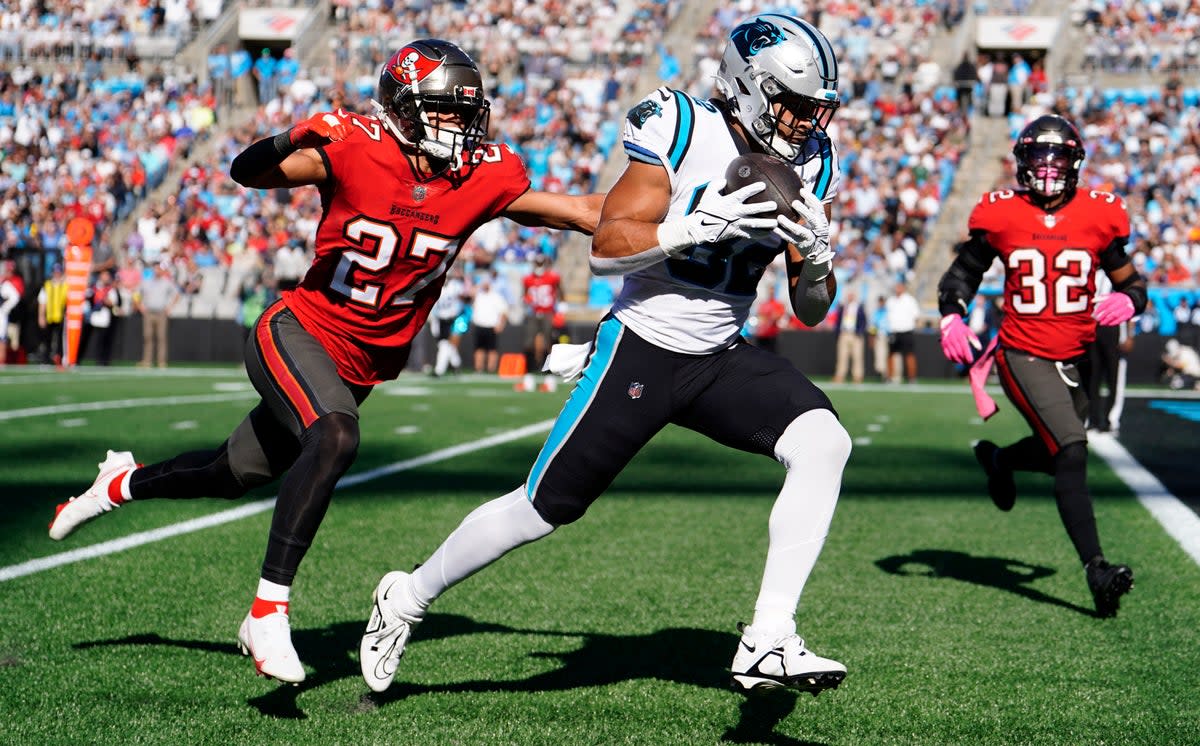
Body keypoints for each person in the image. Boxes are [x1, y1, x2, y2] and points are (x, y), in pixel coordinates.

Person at [48, 39, 603, 685]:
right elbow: (244, 171)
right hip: (299, 330)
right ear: (403, 107)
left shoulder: (482, 176)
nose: (461, 125)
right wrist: (291, 135)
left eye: (465, 112)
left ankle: (118, 484)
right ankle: (267, 609)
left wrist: (687, 216)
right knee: (335, 435)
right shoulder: (356, 147)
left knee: (232, 472)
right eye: (445, 111)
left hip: (360, 364)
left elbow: (584, 214)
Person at [360, 14, 851, 698]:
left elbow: (811, 308)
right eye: (793, 105)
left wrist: (820, 261)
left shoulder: (816, 160)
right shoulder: (680, 125)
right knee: (543, 508)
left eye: (815, 109)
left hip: (719, 354)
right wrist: (690, 226)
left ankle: (768, 637)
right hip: (643, 347)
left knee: (824, 442)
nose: (804, 123)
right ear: (748, 87)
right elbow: (606, 248)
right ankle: (407, 596)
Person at [936, 114, 1148, 618]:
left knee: (1058, 453)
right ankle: (1096, 567)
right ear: (1021, 162)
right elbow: (963, 273)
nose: (1047, 168)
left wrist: (1131, 302)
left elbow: (1132, 280)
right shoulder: (1003, 213)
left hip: (1076, 355)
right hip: (1022, 352)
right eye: (1037, 157)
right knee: (1072, 449)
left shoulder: (1100, 215)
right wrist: (951, 316)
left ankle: (1001, 461)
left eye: (1057, 158)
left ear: (1075, 163)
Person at [1086, 273, 1132, 434]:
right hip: (1093, 326)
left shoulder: (1118, 273)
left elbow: (1130, 304)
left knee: (1114, 376)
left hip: (1114, 326)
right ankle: (1093, 419)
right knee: (1093, 375)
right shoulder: (1092, 272)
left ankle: (1110, 419)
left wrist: (1129, 335)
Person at [518, 252, 561, 391]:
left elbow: (560, 290)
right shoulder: (528, 279)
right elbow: (525, 293)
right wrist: (526, 301)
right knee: (528, 344)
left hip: (548, 312)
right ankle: (529, 378)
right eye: (537, 263)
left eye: (541, 263)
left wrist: (561, 306)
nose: (539, 266)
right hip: (533, 313)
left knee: (549, 344)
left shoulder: (553, 278)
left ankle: (550, 379)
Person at [137, 261, 180, 368]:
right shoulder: (146, 282)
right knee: (148, 337)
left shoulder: (166, 282)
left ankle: (161, 361)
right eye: (155, 269)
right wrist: (139, 306)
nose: (157, 271)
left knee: (161, 337)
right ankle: (147, 361)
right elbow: (136, 294)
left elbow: (177, 294)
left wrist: (170, 307)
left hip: (161, 313)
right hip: (148, 312)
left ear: (162, 270)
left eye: (158, 269)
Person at [469, 272, 508, 373]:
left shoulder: (496, 296)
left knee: (492, 349)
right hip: (479, 325)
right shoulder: (478, 295)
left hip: (491, 326)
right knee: (479, 348)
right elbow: (470, 293)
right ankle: (479, 368)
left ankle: (491, 369)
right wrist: (479, 285)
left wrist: (501, 324)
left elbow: (504, 312)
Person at [884, 281, 920, 383]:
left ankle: (912, 378)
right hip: (894, 332)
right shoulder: (891, 300)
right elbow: (887, 316)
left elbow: (916, 316)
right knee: (891, 354)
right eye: (897, 286)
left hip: (906, 331)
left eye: (900, 287)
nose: (898, 289)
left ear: (904, 288)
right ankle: (890, 377)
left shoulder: (910, 300)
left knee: (909, 355)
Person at [832, 289, 867, 384]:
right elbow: (838, 321)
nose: (850, 297)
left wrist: (859, 331)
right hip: (844, 334)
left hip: (855, 335)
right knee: (842, 356)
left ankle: (857, 376)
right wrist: (838, 332)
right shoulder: (843, 307)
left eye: (852, 295)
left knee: (857, 356)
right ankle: (840, 375)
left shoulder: (859, 308)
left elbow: (863, 321)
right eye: (849, 295)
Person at [37, 262, 68, 365]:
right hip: (49, 316)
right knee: (47, 339)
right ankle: (46, 359)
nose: (57, 274)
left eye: (59, 272)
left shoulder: (66, 285)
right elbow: (42, 302)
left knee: (60, 340)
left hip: (61, 316)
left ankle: (59, 359)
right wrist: (41, 316)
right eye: (55, 272)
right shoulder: (47, 285)